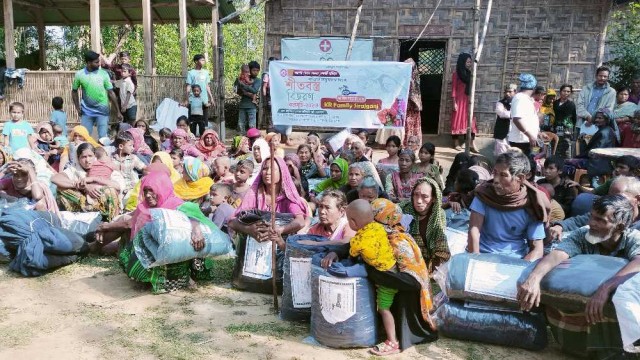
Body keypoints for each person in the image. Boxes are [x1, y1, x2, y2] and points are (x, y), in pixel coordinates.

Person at [518, 195, 640, 358]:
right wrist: (534, 279)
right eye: (591, 216)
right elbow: (557, 255)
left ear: (620, 227)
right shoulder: (583, 234)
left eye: (600, 220)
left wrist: (605, 288)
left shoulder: (633, 238)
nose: (591, 223)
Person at [115, 166, 225, 293]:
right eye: (145, 191)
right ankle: (150, 276)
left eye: (152, 190)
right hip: (154, 251)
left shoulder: (176, 204)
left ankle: (183, 275)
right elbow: (135, 236)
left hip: (174, 254)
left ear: (162, 188)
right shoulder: (143, 208)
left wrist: (196, 230)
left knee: (194, 239)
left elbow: (193, 217)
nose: (148, 195)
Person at [468, 150, 549, 260]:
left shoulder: (532, 202)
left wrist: (520, 269)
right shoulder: (484, 195)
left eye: (503, 175)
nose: (496, 180)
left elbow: (537, 249)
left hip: (516, 260)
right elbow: (474, 230)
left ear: (520, 178)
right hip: (483, 255)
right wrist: (475, 261)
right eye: (495, 173)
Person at [228, 156, 307, 248]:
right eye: (265, 169)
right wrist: (249, 229)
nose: (268, 172)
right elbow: (232, 222)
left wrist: (279, 230)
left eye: (273, 169)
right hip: (254, 246)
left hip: (279, 246)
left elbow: (300, 221)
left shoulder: (287, 198)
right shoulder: (254, 195)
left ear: (282, 173)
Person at [548, 176, 640, 240]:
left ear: (638, 200)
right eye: (609, 197)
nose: (612, 201)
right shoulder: (604, 213)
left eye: (619, 197)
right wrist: (559, 227)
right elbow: (578, 221)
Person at [52, 143, 125, 221]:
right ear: (78, 158)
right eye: (83, 157)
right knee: (60, 188)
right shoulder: (75, 169)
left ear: (95, 156)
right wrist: (83, 186)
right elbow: (55, 178)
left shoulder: (104, 166)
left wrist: (94, 179)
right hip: (83, 203)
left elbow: (119, 186)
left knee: (110, 190)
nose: (87, 160)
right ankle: (86, 210)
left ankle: (109, 221)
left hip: (103, 203)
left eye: (90, 156)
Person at [400, 177, 448, 271]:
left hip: (426, 266)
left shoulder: (438, 215)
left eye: (425, 196)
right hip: (403, 261)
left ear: (433, 198)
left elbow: (441, 249)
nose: (419, 201)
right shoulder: (402, 210)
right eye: (416, 195)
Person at [72, 51, 122, 138]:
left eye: (98, 61)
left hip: (103, 110)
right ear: (88, 63)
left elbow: (111, 92)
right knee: (84, 136)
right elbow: (74, 91)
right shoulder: (80, 74)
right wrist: (77, 107)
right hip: (87, 111)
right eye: (96, 62)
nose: (99, 64)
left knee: (103, 137)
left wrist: (118, 111)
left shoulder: (104, 74)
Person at [450, 53, 478, 152]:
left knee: (470, 121)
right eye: (468, 62)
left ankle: (471, 144)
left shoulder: (470, 73)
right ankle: (456, 143)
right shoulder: (456, 74)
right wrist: (454, 103)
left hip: (468, 100)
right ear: (463, 62)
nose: (469, 64)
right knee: (457, 122)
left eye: (470, 62)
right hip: (459, 101)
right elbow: (453, 89)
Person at [576, 66, 616, 131]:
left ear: (608, 78)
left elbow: (608, 109)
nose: (602, 78)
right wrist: (588, 116)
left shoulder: (611, 92)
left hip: (599, 125)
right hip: (582, 123)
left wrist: (595, 119)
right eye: (600, 76)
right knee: (580, 141)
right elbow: (579, 105)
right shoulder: (586, 89)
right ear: (596, 76)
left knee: (597, 141)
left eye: (605, 76)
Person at [508, 73, 540, 155]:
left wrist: (538, 133)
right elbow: (517, 119)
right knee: (522, 166)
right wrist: (530, 135)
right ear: (534, 87)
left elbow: (527, 120)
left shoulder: (525, 99)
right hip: (521, 141)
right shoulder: (520, 98)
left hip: (526, 140)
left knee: (528, 165)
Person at [112, 131, 147, 196]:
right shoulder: (111, 159)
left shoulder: (133, 158)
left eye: (133, 145)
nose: (133, 148)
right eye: (130, 145)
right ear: (121, 146)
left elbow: (144, 168)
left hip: (132, 189)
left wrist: (144, 178)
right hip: (118, 190)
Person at [184, 54, 214, 127]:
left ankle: (203, 137)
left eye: (204, 60)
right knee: (192, 122)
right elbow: (188, 86)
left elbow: (207, 86)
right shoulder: (191, 73)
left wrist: (211, 98)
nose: (204, 61)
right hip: (193, 100)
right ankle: (192, 136)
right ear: (196, 61)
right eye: (202, 60)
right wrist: (187, 99)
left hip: (204, 100)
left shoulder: (206, 72)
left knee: (204, 122)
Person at [235, 61, 262, 135]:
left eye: (257, 71)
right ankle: (241, 141)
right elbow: (236, 89)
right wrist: (238, 82)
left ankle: (252, 140)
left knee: (252, 125)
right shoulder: (242, 78)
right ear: (249, 70)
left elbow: (254, 90)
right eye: (254, 70)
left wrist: (243, 87)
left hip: (252, 106)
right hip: (242, 106)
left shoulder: (258, 80)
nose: (256, 72)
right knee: (241, 125)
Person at [553, 84, 578, 159]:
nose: (566, 93)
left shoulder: (571, 104)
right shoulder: (555, 103)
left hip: (566, 129)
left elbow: (573, 118)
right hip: (555, 128)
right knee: (555, 147)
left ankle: (567, 167)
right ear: (560, 92)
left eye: (568, 91)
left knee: (566, 149)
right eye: (564, 91)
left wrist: (571, 130)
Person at [402, 58, 423, 147]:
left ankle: (413, 143)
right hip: (405, 106)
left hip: (412, 106)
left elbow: (414, 93)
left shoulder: (414, 79)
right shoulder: (402, 78)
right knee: (406, 123)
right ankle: (406, 143)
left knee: (411, 123)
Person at [494, 84, 517, 156]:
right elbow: (501, 113)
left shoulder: (517, 103)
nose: (507, 93)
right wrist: (514, 114)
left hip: (514, 134)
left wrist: (509, 113)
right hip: (502, 133)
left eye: (510, 92)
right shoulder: (500, 103)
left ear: (515, 92)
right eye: (506, 92)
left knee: (513, 155)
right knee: (501, 155)